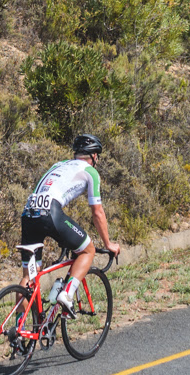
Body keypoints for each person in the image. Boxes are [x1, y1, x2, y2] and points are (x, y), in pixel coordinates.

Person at [20, 133, 119, 320]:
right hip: (50, 212)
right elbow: (97, 212)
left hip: (28, 213)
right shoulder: (91, 172)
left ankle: (19, 331)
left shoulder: (58, 165)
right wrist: (108, 244)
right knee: (87, 250)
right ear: (94, 156)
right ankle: (66, 294)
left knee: (29, 279)